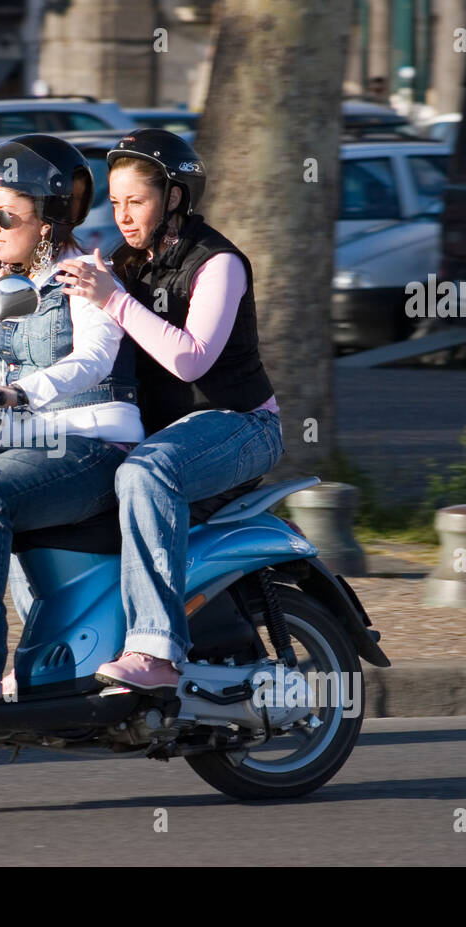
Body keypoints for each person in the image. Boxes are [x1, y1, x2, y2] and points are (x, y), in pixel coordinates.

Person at [56, 129, 284, 691]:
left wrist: (111, 296)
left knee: (144, 472)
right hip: (162, 431)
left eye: (137, 200)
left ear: (175, 197)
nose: (124, 215)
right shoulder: (123, 263)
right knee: (43, 480)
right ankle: (56, 657)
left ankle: (155, 650)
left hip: (239, 424)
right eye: (115, 202)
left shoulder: (219, 263)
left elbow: (191, 360)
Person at [0, 134, 145, 706]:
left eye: (4, 215)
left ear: (45, 221)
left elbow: (92, 358)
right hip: (39, 440)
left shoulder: (85, 277)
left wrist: (21, 392)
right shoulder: (11, 287)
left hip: (94, 443)